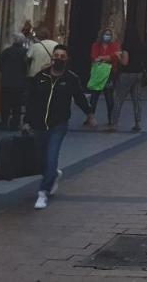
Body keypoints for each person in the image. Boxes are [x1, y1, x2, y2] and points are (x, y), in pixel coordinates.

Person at [23, 44, 95, 210]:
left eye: (62, 56)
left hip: (58, 124)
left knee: (51, 157)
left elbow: (79, 97)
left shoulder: (70, 79)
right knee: (41, 159)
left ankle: (43, 192)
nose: (59, 59)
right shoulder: (40, 76)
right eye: (56, 55)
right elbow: (31, 100)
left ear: (67, 59)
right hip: (39, 124)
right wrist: (27, 121)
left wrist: (89, 114)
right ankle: (53, 174)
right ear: (52, 57)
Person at [109, 26, 145, 132]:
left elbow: (125, 62)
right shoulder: (141, 45)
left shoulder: (127, 46)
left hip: (126, 75)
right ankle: (137, 122)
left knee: (119, 99)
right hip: (138, 74)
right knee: (137, 99)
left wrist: (118, 56)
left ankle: (114, 123)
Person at [85, 28, 119, 126]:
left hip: (109, 74)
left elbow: (115, 56)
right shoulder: (96, 45)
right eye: (105, 34)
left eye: (109, 34)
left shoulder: (114, 46)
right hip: (98, 73)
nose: (107, 36)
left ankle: (111, 118)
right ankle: (90, 117)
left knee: (109, 97)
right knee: (94, 97)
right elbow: (94, 56)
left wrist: (103, 58)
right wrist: (107, 58)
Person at [0, 33, 29, 130]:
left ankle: (4, 122)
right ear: (23, 42)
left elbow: (0, 65)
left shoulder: (6, 51)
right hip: (19, 82)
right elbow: (27, 66)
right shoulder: (25, 52)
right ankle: (15, 123)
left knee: (5, 103)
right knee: (17, 104)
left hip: (6, 81)